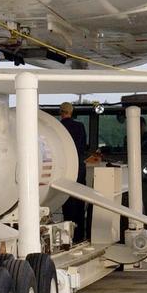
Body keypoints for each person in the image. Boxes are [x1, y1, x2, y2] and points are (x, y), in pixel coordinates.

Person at [58, 102, 90, 242]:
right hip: (78, 167)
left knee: (67, 200)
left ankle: (68, 233)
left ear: (61, 112)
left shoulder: (59, 127)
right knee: (79, 200)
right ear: (72, 112)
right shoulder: (79, 126)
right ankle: (79, 235)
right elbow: (83, 147)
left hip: (63, 167)